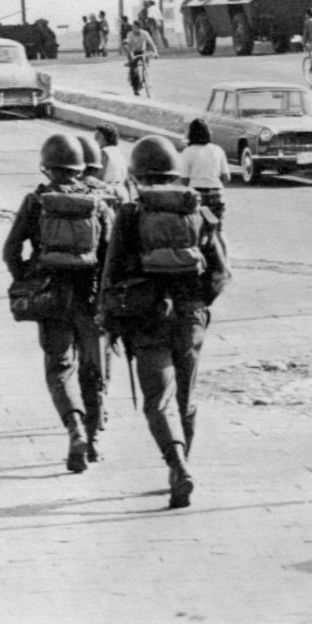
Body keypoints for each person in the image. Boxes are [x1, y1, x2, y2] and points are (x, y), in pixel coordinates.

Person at [100, 135, 230, 509]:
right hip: (189, 317)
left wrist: (110, 319)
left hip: (145, 318)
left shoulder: (130, 213)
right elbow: (220, 272)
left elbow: (112, 273)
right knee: (186, 399)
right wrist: (199, 306)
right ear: (175, 172)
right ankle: (183, 467)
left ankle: (176, 465)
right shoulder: (198, 209)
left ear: (137, 175)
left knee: (157, 401)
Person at [3, 134, 114, 472]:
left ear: (46, 166)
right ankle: (93, 442)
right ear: (80, 168)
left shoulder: (36, 201)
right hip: (89, 297)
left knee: (59, 370)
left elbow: (10, 251)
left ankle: (75, 429)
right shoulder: (98, 202)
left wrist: (28, 277)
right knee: (92, 373)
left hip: (50, 297)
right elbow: (111, 256)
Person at [180, 119, 231, 224]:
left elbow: (184, 180)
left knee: (197, 228)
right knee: (217, 230)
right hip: (216, 193)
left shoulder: (188, 152)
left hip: (196, 194)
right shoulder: (218, 150)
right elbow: (226, 177)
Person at [123, 22, 159, 96]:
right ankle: (135, 89)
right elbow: (127, 42)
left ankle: (144, 79)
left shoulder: (144, 34)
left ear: (139, 28)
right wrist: (131, 57)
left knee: (145, 64)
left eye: (135, 27)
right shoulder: (130, 34)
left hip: (142, 51)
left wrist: (156, 53)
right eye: (132, 27)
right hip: (132, 52)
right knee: (133, 70)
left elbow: (151, 44)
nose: (133, 29)